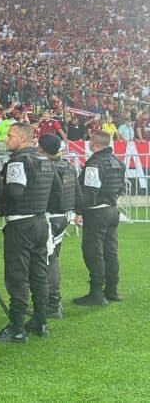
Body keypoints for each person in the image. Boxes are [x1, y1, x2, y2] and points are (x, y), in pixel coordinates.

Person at [0, 122, 55, 342]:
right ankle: (40, 322)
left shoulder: (18, 162)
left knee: (17, 276)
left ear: (21, 138)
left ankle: (16, 328)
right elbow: (56, 192)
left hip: (21, 224)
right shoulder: (45, 161)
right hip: (40, 222)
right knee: (38, 274)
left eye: (9, 136)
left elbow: (15, 193)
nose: (6, 139)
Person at [73, 130, 126, 306]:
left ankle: (96, 293)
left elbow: (89, 192)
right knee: (110, 251)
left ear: (93, 144)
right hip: (112, 210)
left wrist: (79, 211)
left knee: (93, 252)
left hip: (96, 212)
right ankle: (112, 290)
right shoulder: (117, 162)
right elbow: (121, 188)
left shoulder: (94, 164)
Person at [37, 134, 80, 319]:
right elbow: (78, 193)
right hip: (62, 217)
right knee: (51, 258)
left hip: (48, 218)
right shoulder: (68, 166)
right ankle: (50, 302)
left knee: (49, 260)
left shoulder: (45, 167)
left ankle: (53, 304)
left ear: (41, 148)